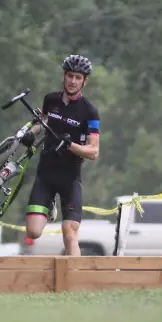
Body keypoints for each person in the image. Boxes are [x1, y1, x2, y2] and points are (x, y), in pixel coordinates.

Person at [21, 54, 100, 256]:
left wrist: (71, 145)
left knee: (69, 233)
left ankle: (77, 283)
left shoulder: (89, 111)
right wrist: (30, 133)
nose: (73, 81)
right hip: (45, 174)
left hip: (69, 177)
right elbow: (43, 122)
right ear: (64, 76)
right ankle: (49, 208)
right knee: (33, 231)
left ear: (85, 81)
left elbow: (93, 151)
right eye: (70, 76)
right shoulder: (51, 99)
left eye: (78, 78)